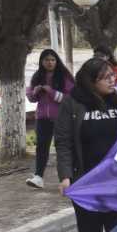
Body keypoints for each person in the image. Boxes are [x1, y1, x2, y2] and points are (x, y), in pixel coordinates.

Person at [54, 56, 117, 232]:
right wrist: (65, 176)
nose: (113, 80)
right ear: (91, 81)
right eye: (106, 77)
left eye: (113, 75)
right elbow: (63, 142)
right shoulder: (73, 103)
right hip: (86, 181)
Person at [25, 48, 74, 189]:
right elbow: (31, 97)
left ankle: (66, 179)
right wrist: (34, 93)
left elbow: (70, 98)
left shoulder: (64, 77)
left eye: (53, 60)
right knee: (41, 147)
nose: (50, 63)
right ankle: (38, 177)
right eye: (46, 60)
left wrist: (51, 92)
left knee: (62, 149)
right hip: (42, 118)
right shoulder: (37, 76)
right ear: (41, 62)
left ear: (57, 61)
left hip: (61, 119)